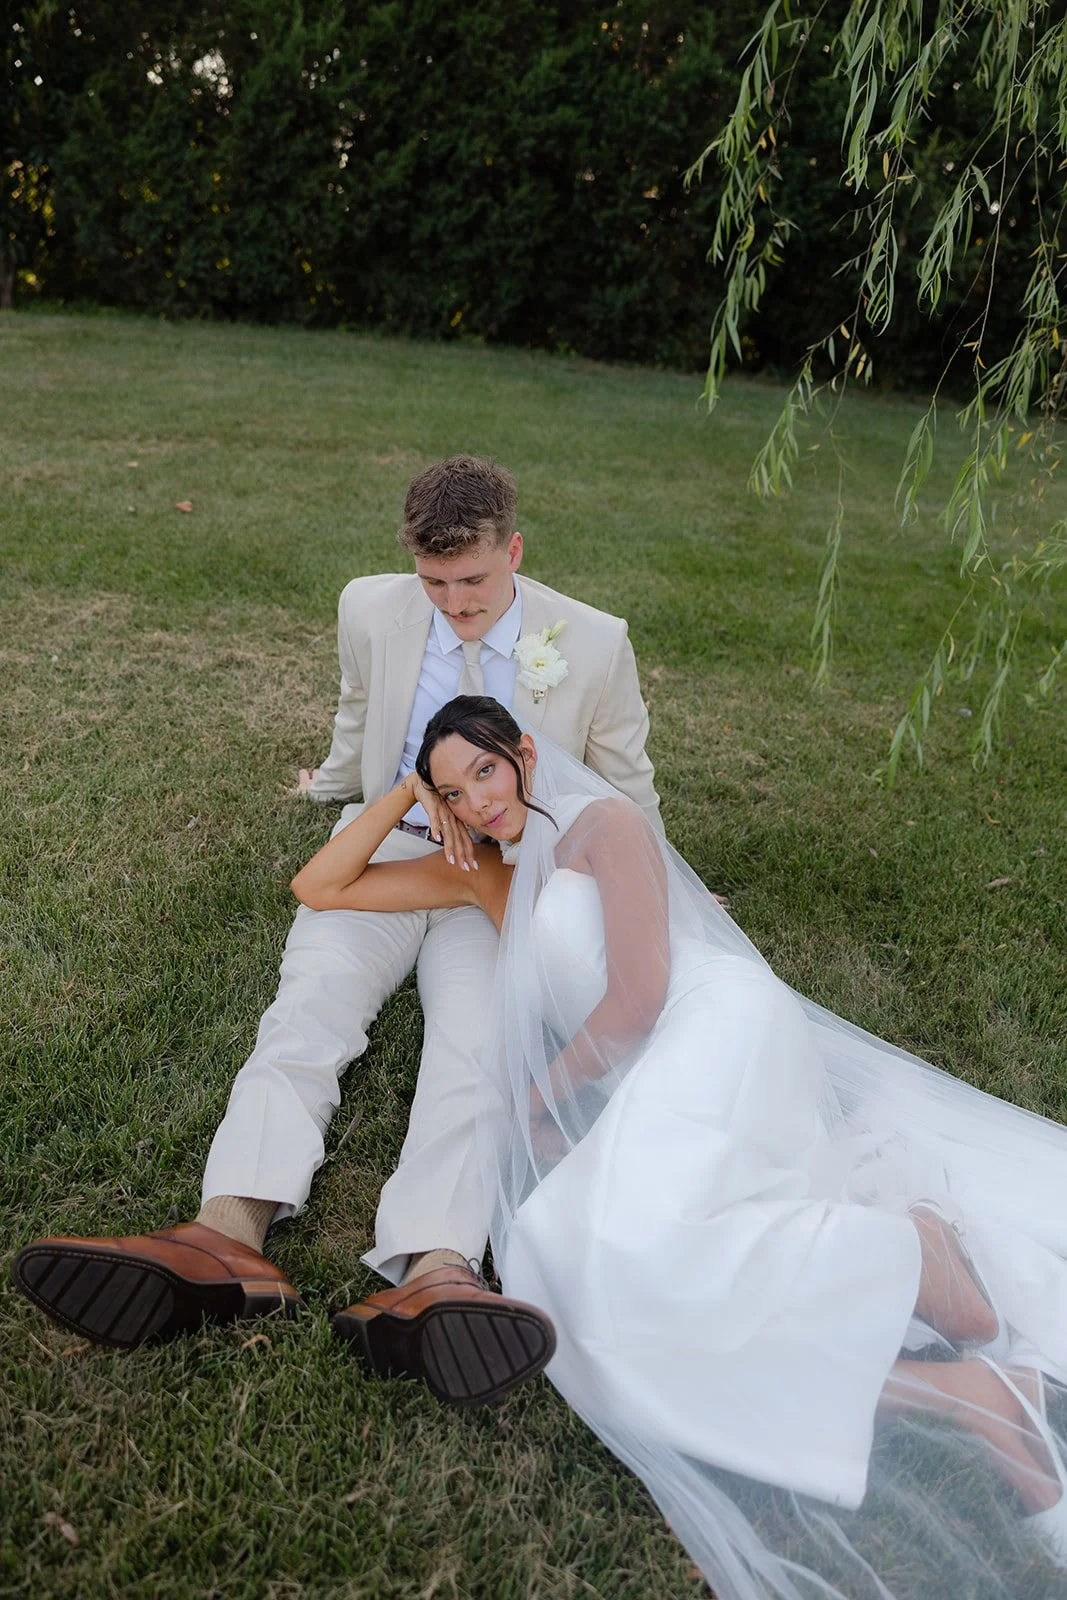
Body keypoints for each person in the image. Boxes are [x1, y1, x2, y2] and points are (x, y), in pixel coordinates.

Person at [270, 696, 1067, 1596]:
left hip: (713, 1028)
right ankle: (966, 1385)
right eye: (453, 792)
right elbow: (321, 885)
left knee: (619, 1253)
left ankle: (915, 1264)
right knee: (565, 1272)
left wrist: (536, 1101)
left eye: (486, 771)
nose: (477, 802)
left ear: (527, 754)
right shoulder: (486, 877)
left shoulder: (604, 827)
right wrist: (402, 795)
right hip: (648, 1077)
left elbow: (641, 997)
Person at [12, 456, 661, 1408]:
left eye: (474, 580)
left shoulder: (595, 643)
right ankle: (226, 1232)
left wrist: (652, 881)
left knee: (477, 1046)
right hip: (382, 851)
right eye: (434, 583)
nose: (454, 603)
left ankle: (437, 1266)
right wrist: (331, 784)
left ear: (512, 551)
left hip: (499, 882)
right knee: (307, 1009)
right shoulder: (370, 607)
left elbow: (625, 776)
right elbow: (361, 716)